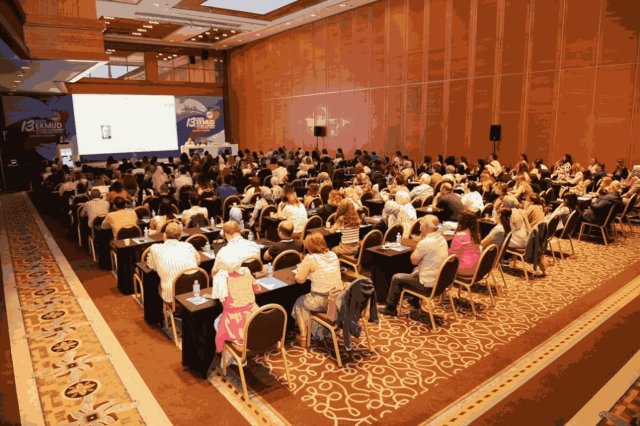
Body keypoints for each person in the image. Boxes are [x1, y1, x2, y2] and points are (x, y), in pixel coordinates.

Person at [379, 215, 449, 316]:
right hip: (440, 283)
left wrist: (419, 243)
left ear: (426, 227)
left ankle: (390, 308)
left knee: (396, 277)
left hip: (428, 286)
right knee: (415, 270)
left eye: (421, 223)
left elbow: (413, 261)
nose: (419, 225)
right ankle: (413, 300)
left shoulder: (425, 242)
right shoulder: (442, 239)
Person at [293, 232, 343, 346]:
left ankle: (304, 336)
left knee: (299, 303)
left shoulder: (310, 258)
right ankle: (318, 329)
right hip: (338, 298)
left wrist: (300, 271)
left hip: (321, 300)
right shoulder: (333, 254)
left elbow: (300, 280)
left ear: (308, 246)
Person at [212, 260, 261, 355]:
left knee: (216, 322)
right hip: (254, 317)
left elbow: (221, 299)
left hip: (234, 322)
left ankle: (227, 355)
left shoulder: (221, 279)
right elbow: (257, 289)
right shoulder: (246, 272)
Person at [147, 222, 200, 304]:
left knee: (157, 283)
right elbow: (198, 261)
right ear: (180, 236)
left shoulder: (155, 248)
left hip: (172, 297)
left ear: (164, 235)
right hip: (194, 292)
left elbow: (152, 266)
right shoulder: (188, 245)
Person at [448, 211, 481, 276]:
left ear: (461, 221)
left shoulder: (460, 235)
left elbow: (451, 255)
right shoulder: (476, 234)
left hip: (464, 269)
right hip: (477, 267)